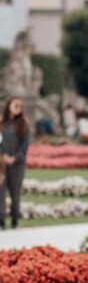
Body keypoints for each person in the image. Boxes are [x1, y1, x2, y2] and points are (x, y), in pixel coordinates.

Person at [0, 97, 31, 229]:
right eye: (15, 105)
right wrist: (2, 155)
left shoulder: (23, 124)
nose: (18, 107)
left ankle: (14, 219)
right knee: (1, 191)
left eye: (20, 106)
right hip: (1, 163)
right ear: (9, 106)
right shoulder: (1, 123)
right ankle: (1, 219)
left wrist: (15, 158)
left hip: (17, 164)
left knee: (15, 191)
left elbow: (25, 144)